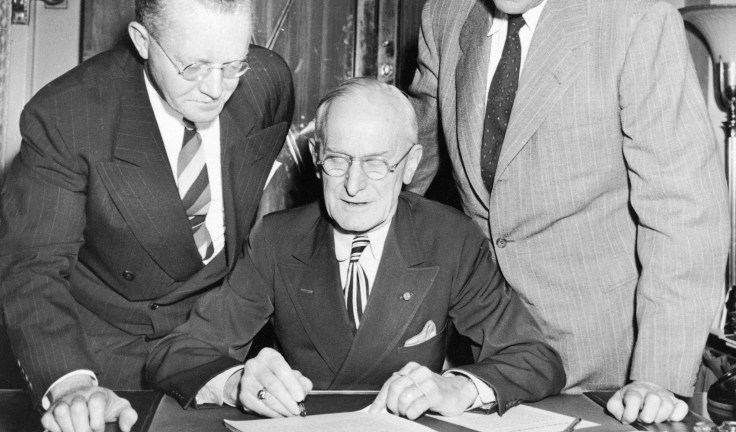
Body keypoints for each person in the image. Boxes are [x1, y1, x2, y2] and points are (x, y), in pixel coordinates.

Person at [145, 77, 565, 419]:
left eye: (377, 163)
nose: (353, 185)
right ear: (316, 155)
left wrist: (458, 386)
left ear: (412, 164)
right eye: (338, 159)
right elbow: (176, 354)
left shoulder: (451, 239)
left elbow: (536, 359)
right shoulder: (276, 239)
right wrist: (237, 383)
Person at [407, 0, 730, 425]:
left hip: (606, 372)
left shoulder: (635, 18)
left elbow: (684, 210)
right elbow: (409, 155)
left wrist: (657, 376)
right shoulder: (446, 14)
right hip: (479, 359)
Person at [0, 0, 293, 430]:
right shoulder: (69, 114)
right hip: (105, 353)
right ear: (142, 41)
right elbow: (32, 267)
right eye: (193, 66)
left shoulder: (268, 82)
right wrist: (71, 385)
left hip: (215, 339)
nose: (217, 88)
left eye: (233, 65)